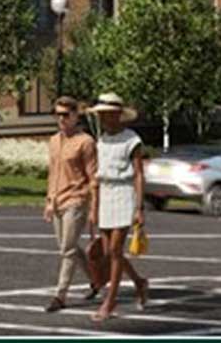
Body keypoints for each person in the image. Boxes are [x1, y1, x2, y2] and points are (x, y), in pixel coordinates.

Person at [89, 92, 148, 325]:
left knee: (115, 249)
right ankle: (139, 282)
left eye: (107, 113)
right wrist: (94, 204)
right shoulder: (101, 140)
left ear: (118, 115)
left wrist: (139, 207)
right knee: (109, 252)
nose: (103, 118)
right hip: (106, 193)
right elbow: (97, 176)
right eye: (101, 114)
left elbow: (139, 174)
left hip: (124, 193)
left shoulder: (131, 140)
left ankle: (110, 301)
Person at [43, 96, 99, 312]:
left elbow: (93, 177)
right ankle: (95, 279)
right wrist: (49, 200)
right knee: (69, 246)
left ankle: (60, 295)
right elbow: (52, 173)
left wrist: (93, 207)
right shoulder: (54, 140)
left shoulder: (85, 142)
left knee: (67, 249)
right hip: (58, 200)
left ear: (76, 116)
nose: (61, 119)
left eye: (66, 115)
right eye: (57, 114)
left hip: (77, 200)